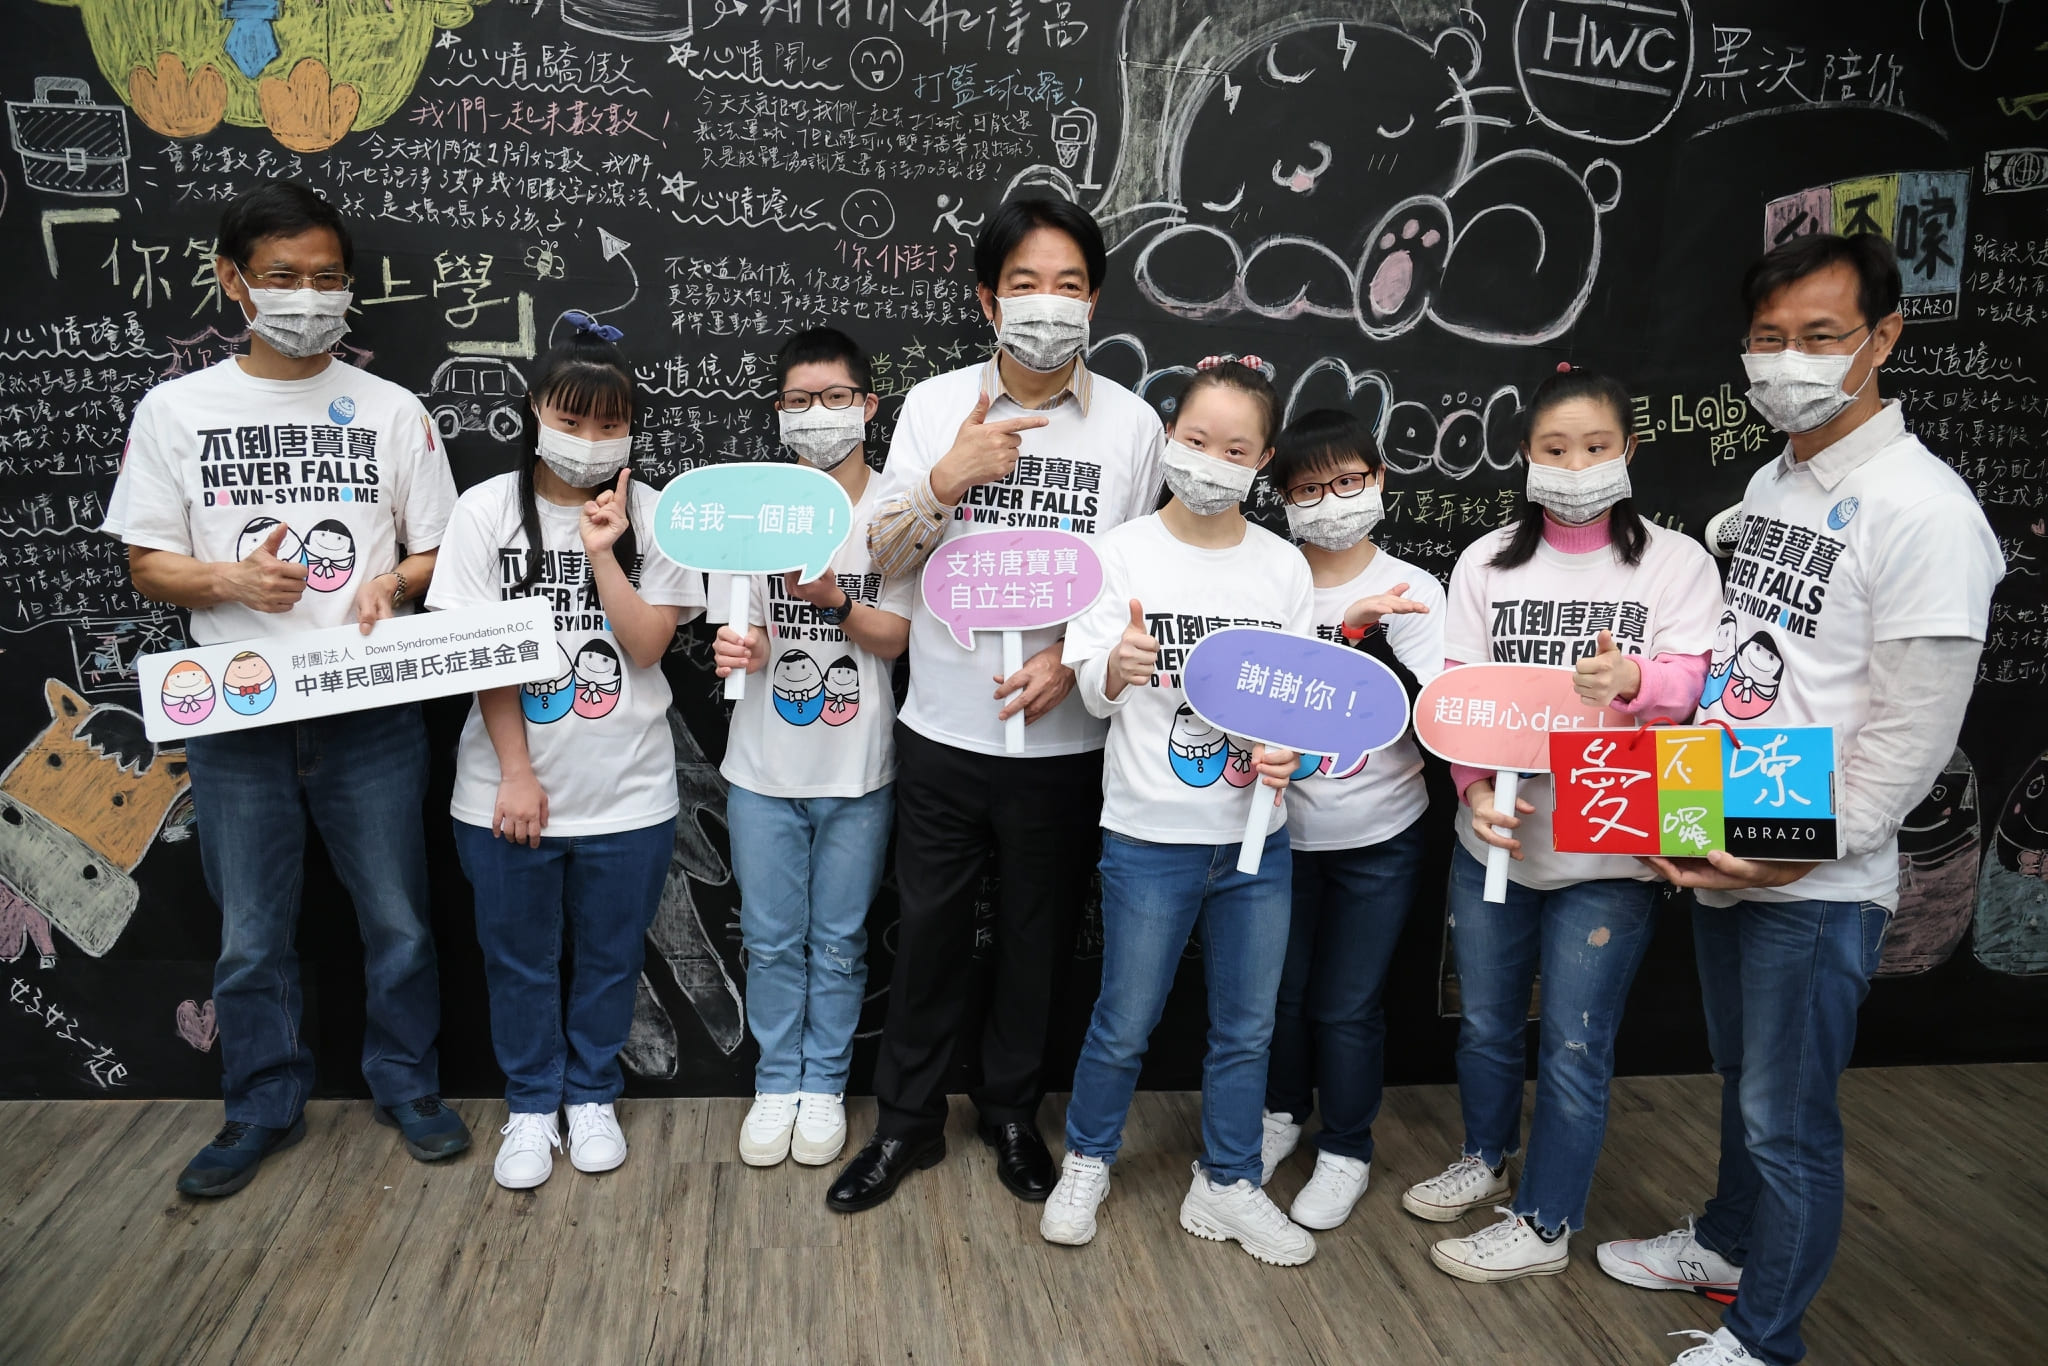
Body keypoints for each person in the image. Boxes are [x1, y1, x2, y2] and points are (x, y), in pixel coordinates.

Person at [1600, 234, 2004, 1366]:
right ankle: (1729, 1242)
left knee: (1788, 1121)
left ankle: (1763, 1338)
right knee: (1744, 1083)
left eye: (1820, 337)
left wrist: (1803, 851)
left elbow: (1913, 733)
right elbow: (1758, 665)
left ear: (1884, 338)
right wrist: (1689, 815)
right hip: (1727, 819)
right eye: (1768, 338)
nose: (1788, 361)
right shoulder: (1776, 480)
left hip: (1815, 876)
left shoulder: (1925, 513)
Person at [105, 180, 469, 1196]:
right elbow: (146, 563)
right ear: (233, 281)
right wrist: (232, 581)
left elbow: (440, 547)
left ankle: (409, 1085)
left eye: (326, 278)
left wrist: (394, 583)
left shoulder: (393, 411)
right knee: (250, 932)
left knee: (399, 918)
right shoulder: (176, 410)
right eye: (283, 277)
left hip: (371, 705)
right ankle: (260, 1101)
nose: (307, 297)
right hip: (236, 712)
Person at [828, 197, 1165, 1212]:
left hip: (1065, 741)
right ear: (987, 300)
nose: (1047, 305)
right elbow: (878, 558)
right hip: (943, 728)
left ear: (1093, 301)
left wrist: (1071, 655)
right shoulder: (936, 407)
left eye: (1068, 285)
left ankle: (1013, 1110)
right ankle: (906, 1122)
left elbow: (1141, 577)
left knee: (1036, 936)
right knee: (928, 931)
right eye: (1025, 284)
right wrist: (945, 480)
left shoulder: (1133, 425)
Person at [1403, 367, 1722, 1282]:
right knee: (1486, 1024)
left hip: (1613, 849)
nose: (1576, 466)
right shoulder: (1486, 562)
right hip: (1497, 841)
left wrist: (1636, 680)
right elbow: (1457, 695)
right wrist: (1472, 791)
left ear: (1629, 451)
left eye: (1595, 447)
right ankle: (1486, 1154)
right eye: (1555, 449)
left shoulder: (1675, 562)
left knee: (1576, 1042)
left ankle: (1546, 1224)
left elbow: (1699, 684)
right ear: (1526, 455)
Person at [1039, 357, 1317, 1264]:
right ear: (1169, 438)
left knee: (1247, 1028)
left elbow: (1302, 702)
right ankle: (1088, 1158)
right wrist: (1113, 670)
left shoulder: (1281, 567)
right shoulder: (1121, 552)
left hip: (1256, 840)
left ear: (1263, 460)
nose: (1211, 461)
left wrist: (1292, 753)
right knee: (1125, 1019)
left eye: (1236, 449)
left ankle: (1228, 1181)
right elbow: (1090, 690)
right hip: (1150, 836)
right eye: (1197, 440)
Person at [427, 315, 705, 1190]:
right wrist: (515, 773)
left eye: (609, 422)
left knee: (612, 958)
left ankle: (590, 1095)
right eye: (571, 418)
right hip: (506, 794)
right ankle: (530, 1105)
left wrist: (602, 554)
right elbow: (481, 657)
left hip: (630, 793)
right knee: (518, 960)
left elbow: (648, 647)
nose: (589, 438)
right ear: (536, 413)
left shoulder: (655, 514)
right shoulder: (484, 512)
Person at [709, 328, 913, 1169]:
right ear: (779, 412)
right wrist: (741, 646)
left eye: (834, 398)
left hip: (859, 771)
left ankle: (824, 1083)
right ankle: (776, 1083)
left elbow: (897, 638)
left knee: (839, 939)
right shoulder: (753, 507)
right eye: (799, 401)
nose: (816, 414)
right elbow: (744, 628)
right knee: (767, 938)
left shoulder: (899, 509)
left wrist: (835, 601)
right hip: (761, 769)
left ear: (868, 406)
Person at [1255, 409, 1444, 1230]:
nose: (1330, 501)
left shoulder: (1416, 589)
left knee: (1348, 1003)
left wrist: (1366, 634)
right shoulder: (1267, 578)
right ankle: (1279, 1115)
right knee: (1282, 993)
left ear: (1379, 478)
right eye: (1308, 489)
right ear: (1282, 498)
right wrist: (1339, 631)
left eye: (1347, 481)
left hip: (1381, 833)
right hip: (1277, 830)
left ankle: (1346, 1147)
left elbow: (1433, 716)